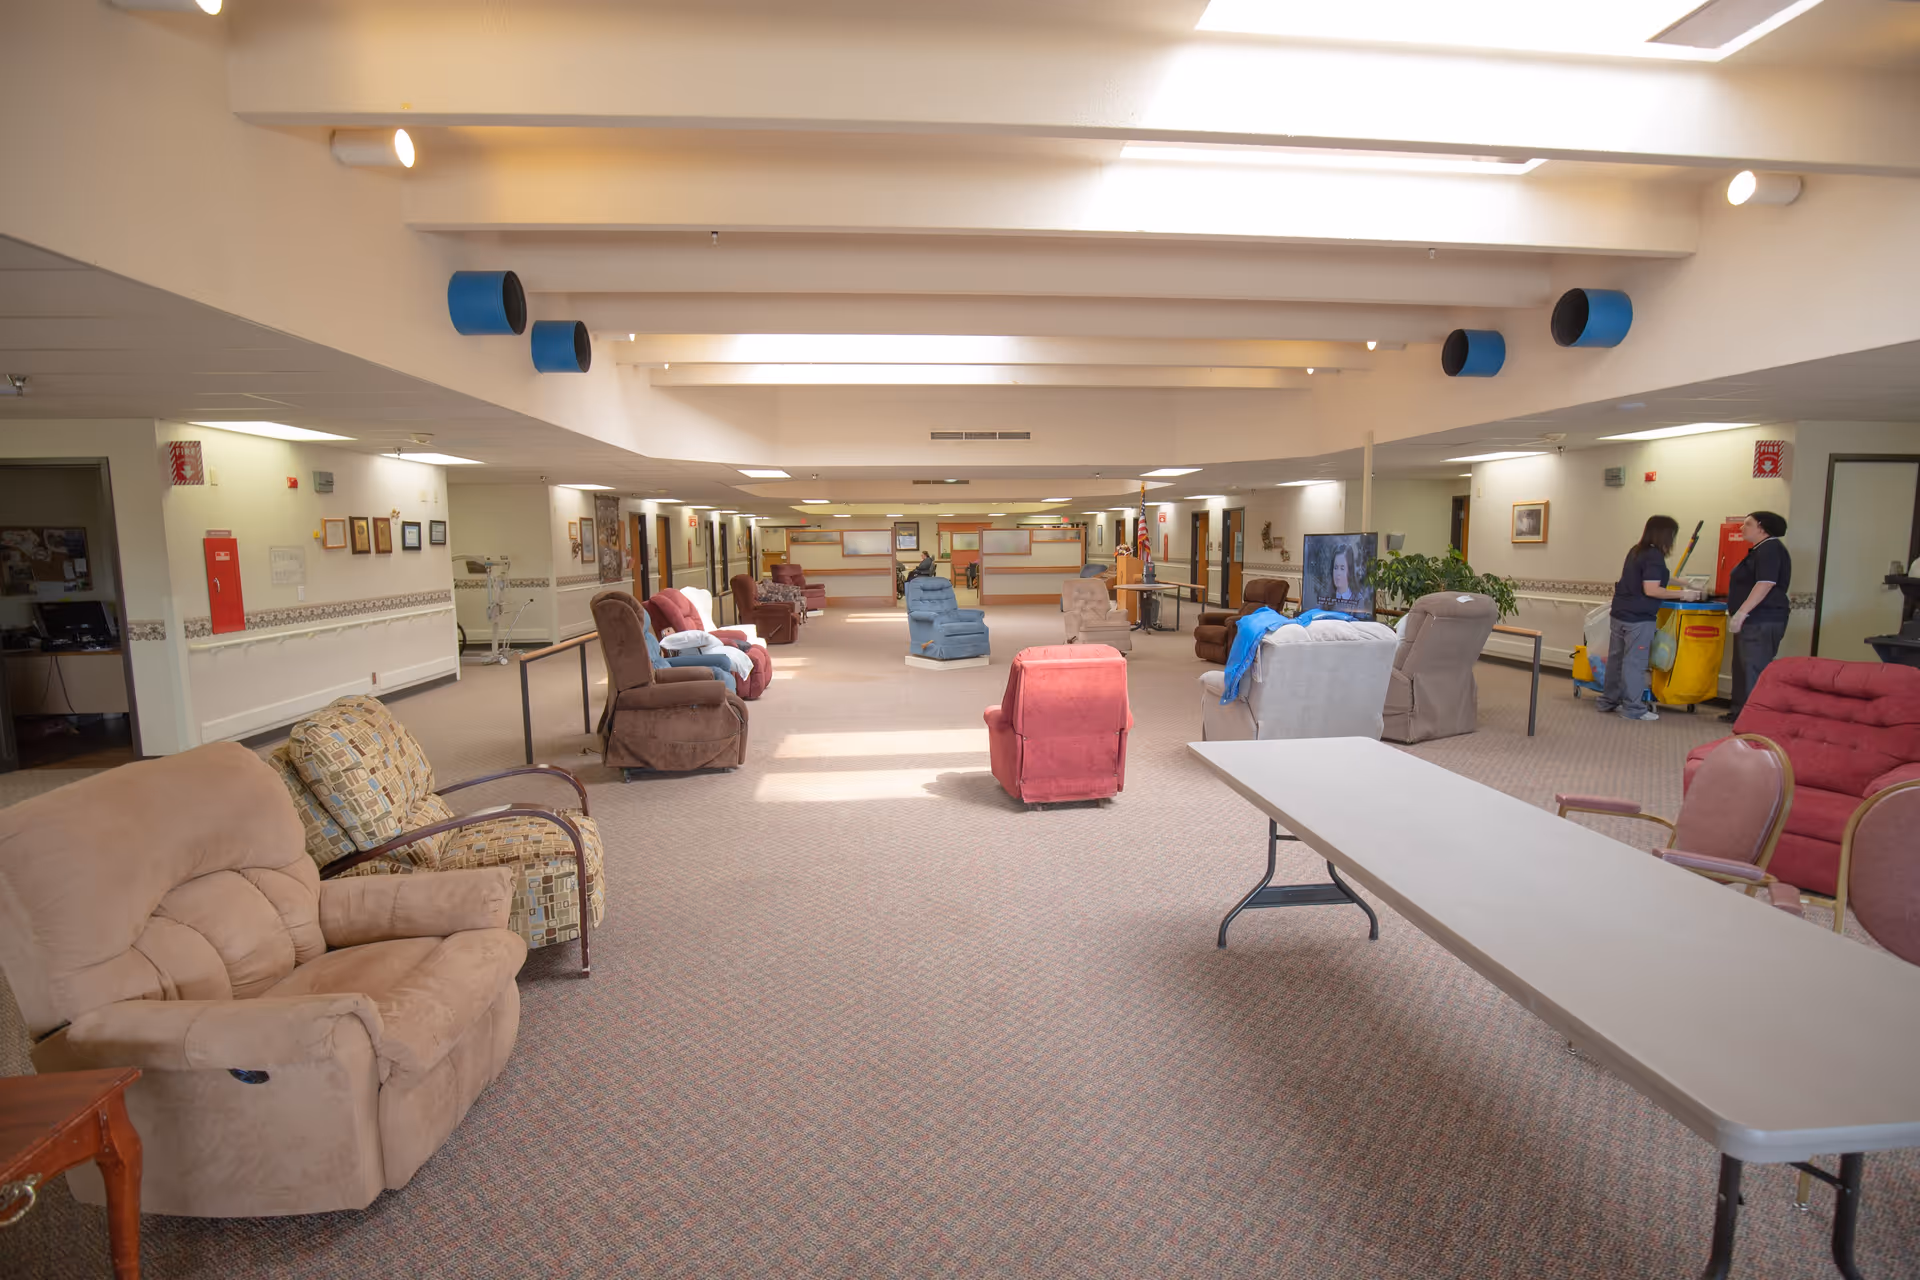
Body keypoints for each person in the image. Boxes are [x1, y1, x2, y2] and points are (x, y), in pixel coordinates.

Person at [1597, 515, 1703, 722]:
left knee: (1616, 660)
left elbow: (1655, 576)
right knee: (1634, 663)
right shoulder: (1654, 556)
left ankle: (1608, 700)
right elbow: (1652, 589)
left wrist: (1685, 583)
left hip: (1620, 614)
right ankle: (1633, 709)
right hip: (1638, 619)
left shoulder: (1637, 551)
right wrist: (1684, 595)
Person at [1724, 510, 1791, 722]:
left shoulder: (1770, 549)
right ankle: (1740, 713)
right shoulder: (1758, 550)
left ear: (1762, 527)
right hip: (1752, 620)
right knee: (1742, 668)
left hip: (1762, 619)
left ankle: (1753, 718)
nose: (1741, 528)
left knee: (1754, 667)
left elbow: (1765, 583)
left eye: (1747, 524)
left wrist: (1742, 612)